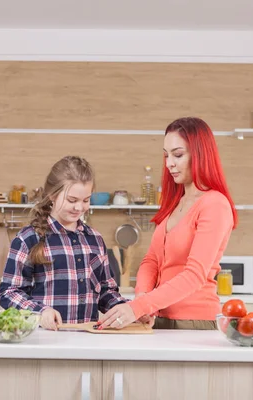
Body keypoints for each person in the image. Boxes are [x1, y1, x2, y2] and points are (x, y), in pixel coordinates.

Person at [97, 117, 238, 331]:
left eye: (178, 155)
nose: (169, 163)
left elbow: (194, 274)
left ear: (200, 154)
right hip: (160, 319)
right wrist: (143, 300)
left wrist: (138, 307)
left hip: (193, 323)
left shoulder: (214, 204)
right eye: (166, 155)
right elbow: (151, 261)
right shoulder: (174, 204)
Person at [0, 156, 128, 330]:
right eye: (72, 200)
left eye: (86, 200)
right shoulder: (28, 238)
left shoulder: (94, 239)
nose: (79, 208)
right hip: (44, 341)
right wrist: (41, 311)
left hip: (88, 340)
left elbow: (106, 291)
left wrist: (128, 310)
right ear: (52, 195)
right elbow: (8, 293)